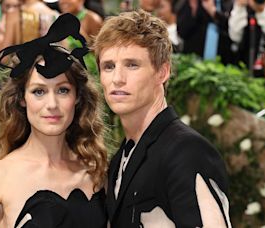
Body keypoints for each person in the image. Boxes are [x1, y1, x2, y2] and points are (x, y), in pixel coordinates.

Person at [0, 14, 108, 228]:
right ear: (22, 99)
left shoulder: (96, 173)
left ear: (77, 98)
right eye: (39, 91)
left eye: (63, 90)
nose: (52, 104)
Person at [92, 10, 232, 227]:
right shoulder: (120, 159)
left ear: (162, 72)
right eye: (108, 66)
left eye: (132, 65)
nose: (117, 79)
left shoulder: (187, 151)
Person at [177, 0, 236, 65]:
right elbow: (182, 32)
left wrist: (214, 12)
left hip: (221, 63)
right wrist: (194, 8)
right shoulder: (190, 3)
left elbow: (233, 32)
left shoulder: (228, 3)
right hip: (193, 62)